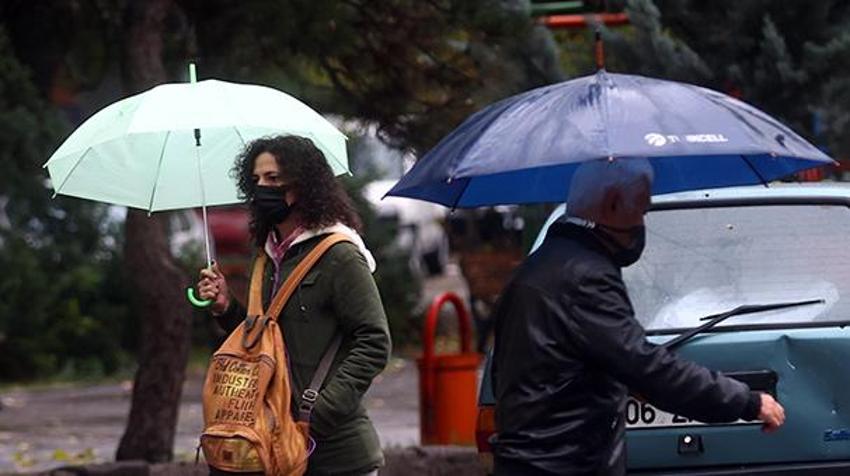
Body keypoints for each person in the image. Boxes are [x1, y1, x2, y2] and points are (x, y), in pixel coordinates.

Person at [490, 158, 785, 476]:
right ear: (614, 203)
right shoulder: (583, 276)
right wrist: (747, 402)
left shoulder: (540, 267)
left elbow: (531, 368)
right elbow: (646, 366)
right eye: (642, 210)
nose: (643, 223)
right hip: (564, 464)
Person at [196, 135, 391, 476]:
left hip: (336, 456)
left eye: (273, 178)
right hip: (273, 449)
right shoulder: (269, 257)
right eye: (255, 180)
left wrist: (316, 414)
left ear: (303, 185)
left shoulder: (339, 254)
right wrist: (227, 307)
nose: (262, 188)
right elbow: (264, 338)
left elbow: (374, 342)